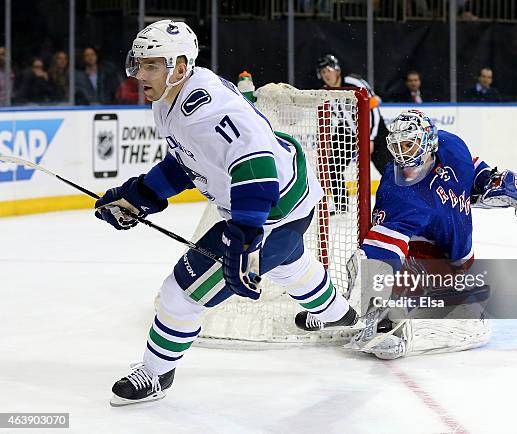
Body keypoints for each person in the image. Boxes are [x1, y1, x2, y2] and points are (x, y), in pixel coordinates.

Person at [94, 20, 358, 406]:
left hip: (272, 210)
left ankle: (156, 372)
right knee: (291, 267)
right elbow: (191, 160)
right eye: (139, 64)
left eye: (151, 65)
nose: (140, 74)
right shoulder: (170, 99)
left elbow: (256, 165)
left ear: (180, 67)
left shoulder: (206, 108)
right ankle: (341, 314)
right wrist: (142, 195)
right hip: (288, 201)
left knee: (180, 294)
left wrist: (247, 235)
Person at [345, 109, 517, 359]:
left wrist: (489, 181)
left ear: (428, 142)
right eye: (397, 145)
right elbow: (385, 244)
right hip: (419, 256)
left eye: (409, 144)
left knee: (478, 308)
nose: (402, 152)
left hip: (456, 257)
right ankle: (388, 321)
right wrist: (375, 293)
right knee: (461, 312)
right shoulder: (398, 189)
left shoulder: (451, 145)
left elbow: (472, 168)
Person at [316, 54, 392, 207]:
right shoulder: (326, 92)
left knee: (388, 169)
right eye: (323, 72)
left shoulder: (353, 82)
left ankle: (397, 202)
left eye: (328, 71)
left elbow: (373, 109)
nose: (326, 75)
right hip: (347, 131)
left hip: (373, 130)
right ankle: (341, 204)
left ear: (337, 70)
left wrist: (370, 137)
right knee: (333, 166)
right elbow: (329, 118)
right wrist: (329, 143)